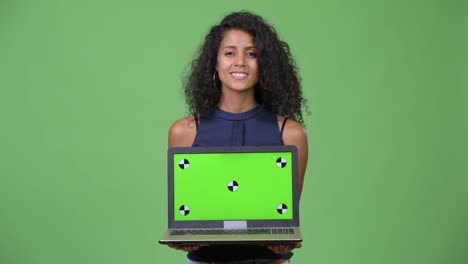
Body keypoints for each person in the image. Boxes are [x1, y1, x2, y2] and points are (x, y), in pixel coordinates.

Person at [167, 11, 308, 264]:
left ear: (264, 63)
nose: (240, 62)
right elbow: (185, 214)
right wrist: (184, 237)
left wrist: (284, 240)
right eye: (230, 52)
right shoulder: (184, 131)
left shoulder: (291, 133)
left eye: (251, 53)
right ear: (215, 62)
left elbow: (286, 217)